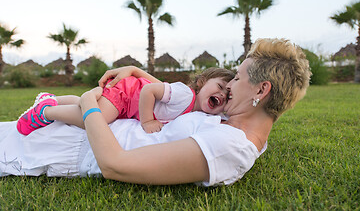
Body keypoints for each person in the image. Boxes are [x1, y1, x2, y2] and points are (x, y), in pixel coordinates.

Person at [0, 38, 311, 186]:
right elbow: (178, 98)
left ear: (261, 90)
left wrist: (88, 104)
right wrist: (136, 70)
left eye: (239, 78)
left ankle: (49, 108)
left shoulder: (230, 145)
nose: (230, 85)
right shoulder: (235, 121)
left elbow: (114, 164)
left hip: (77, 145)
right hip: (85, 130)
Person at [16, 67, 234, 134]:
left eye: (227, 97)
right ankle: (46, 111)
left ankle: (53, 99)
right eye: (220, 87)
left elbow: (156, 82)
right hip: (127, 94)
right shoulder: (186, 95)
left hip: (128, 103)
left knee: (86, 104)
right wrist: (147, 121)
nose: (222, 95)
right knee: (95, 120)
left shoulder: (196, 109)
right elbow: (149, 89)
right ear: (202, 82)